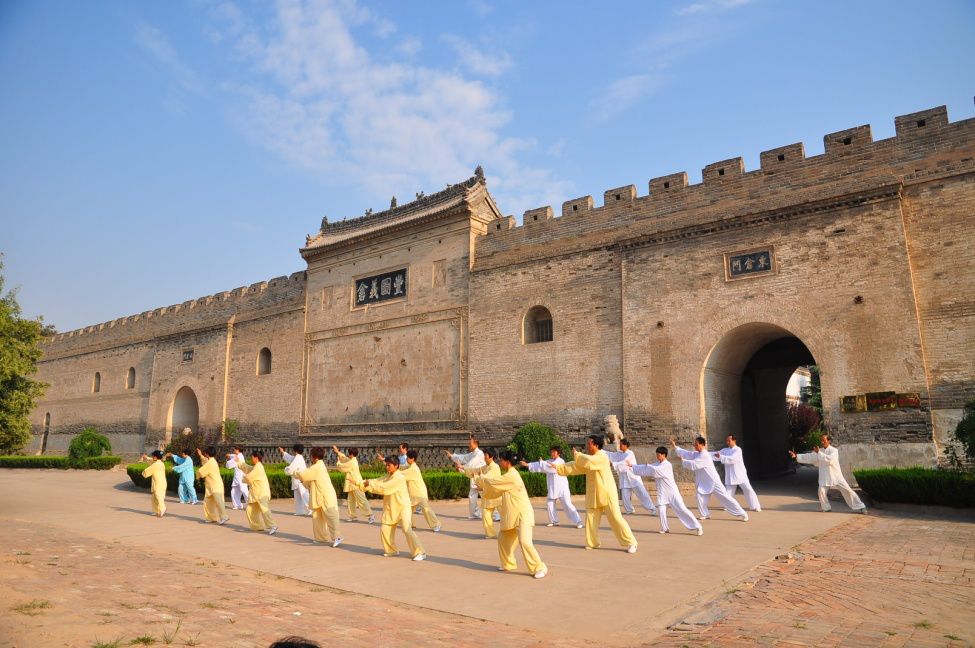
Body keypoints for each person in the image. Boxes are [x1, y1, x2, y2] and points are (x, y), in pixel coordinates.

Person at [554, 435, 638, 553]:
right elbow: (576, 466)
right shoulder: (590, 458)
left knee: (615, 518)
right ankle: (592, 542)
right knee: (591, 518)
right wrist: (559, 468)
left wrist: (578, 455)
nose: (587, 446)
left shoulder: (602, 456)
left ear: (596, 445)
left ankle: (631, 542)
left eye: (589, 444)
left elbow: (589, 462)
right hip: (594, 494)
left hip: (607, 492)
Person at [476, 450, 548, 579]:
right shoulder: (508, 475)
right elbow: (496, 491)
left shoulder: (511, 476)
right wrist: (483, 488)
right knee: (503, 540)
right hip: (512, 515)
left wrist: (481, 478)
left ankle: (539, 567)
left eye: (502, 459)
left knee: (525, 542)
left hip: (522, 514)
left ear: (507, 462)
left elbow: (493, 482)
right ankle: (508, 564)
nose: (500, 462)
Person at [617, 447, 702, 535]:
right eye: (656, 454)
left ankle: (698, 526)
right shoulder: (657, 464)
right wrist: (632, 466)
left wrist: (649, 466)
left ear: (664, 455)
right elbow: (647, 468)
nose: (657, 456)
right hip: (662, 492)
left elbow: (655, 470)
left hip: (672, 492)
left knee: (682, 509)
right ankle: (665, 528)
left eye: (659, 454)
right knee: (661, 510)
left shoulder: (667, 465)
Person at [355, 456, 426, 561]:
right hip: (391, 507)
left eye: (389, 465)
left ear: (396, 466)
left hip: (402, 507)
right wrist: (362, 482)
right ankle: (391, 550)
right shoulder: (388, 475)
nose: (387, 467)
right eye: (386, 465)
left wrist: (367, 485)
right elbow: (378, 481)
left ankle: (420, 552)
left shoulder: (399, 477)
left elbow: (384, 488)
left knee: (407, 529)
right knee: (385, 529)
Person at [672, 437, 749, 522]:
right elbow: (688, 453)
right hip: (704, 482)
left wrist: (683, 460)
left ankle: (742, 513)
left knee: (726, 498)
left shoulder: (704, 455)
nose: (695, 446)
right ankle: (705, 514)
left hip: (714, 481)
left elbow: (694, 465)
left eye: (696, 444)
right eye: (695, 444)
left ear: (702, 445)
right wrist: (676, 447)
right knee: (700, 496)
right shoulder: (697, 453)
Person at [790, 434, 867, 514]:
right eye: (821, 440)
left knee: (848, 491)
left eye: (824, 440)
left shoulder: (834, 451)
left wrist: (819, 453)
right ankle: (826, 508)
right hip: (825, 476)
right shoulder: (819, 450)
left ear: (829, 441)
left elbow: (829, 460)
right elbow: (810, 457)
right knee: (821, 492)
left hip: (836, 475)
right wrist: (796, 456)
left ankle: (861, 506)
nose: (822, 442)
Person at [521, 446, 583, 528]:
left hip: (562, 488)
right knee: (550, 504)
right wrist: (527, 465)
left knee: (568, 504)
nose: (552, 453)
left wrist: (542, 463)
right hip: (552, 487)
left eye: (554, 452)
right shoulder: (549, 461)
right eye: (551, 452)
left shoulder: (561, 461)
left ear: (558, 453)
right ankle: (554, 521)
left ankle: (578, 521)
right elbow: (539, 465)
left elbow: (551, 468)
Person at [296, 446, 343, 546]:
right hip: (318, 495)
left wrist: (294, 472)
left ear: (315, 457)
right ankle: (321, 538)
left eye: (311, 456)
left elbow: (304, 475)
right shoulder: (317, 466)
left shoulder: (317, 467)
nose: (310, 458)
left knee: (331, 516)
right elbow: (309, 481)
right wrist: (302, 480)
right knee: (317, 517)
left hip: (325, 495)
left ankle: (337, 536)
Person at [457, 448, 502, 538]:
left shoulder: (495, 467)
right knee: (486, 515)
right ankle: (491, 534)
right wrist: (463, 467)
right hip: (488, 496)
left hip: (496, 496)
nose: (484, 457)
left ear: (491, 457)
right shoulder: (485, 466)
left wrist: (477, 477)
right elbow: (475, 470)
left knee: (505, 516)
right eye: (484, 455)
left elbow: (487, 479)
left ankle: (513, 531)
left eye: (486, 455)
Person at [605, 438, 657, 516]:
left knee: (642, 494)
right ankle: (629, 510)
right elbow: (610, 454)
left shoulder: (630, 453)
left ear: (626, 445)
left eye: (621, 444)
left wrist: (613, 464)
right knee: (625, 496)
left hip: (633, 478)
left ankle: (652, 508)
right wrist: (600, 451)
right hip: (624, 479)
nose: (620, 446)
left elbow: (625, 462)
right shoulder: (619, 453)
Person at [712, 435, 761, 511]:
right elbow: (714, 454)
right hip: (730, 475)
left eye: (729, 440)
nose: (727, 442)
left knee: (748, 489)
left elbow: (733, 459)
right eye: (727, 441)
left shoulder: (738, 450)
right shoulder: (725, 450)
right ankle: (728, 506)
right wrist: (703, 454)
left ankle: (755, 506)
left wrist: (721, 457)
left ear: (734, 441)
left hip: (740, 474)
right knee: (728, 492)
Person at [400, 450, 442, 532]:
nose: (406, 459)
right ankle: (409, 524)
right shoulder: (410, 466)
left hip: (419, 494)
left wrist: (394, 470)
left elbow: (401, 474)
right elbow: (402, 467)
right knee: (407, 509)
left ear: (412, 459)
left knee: (426, 510)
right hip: (413, 495)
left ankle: (436, 524)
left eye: (408, 458)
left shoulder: (413, 469)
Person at [237, 450, 277, 534]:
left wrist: (243, 478)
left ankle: (273, 525)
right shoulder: (256, 466)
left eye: (252, 457)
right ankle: (257, 526)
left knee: (264, 509)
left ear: (256, 457)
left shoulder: (258, 467)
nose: (251, 458)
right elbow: (248, 468)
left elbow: (249, 478)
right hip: (256, 493)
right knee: (250, 510)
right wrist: (239, 463)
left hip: (261, 493)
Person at [446, 437, 486, 519]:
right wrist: (452, 456)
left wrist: (461, 467)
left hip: (481, 477)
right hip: (475, 477)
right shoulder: (472, 454)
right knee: (472, 496)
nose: (469, 446)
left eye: (470, 444)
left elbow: (471, 465)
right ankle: (475, 514)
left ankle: (497, 514)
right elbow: (463, 457)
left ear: (475, 444)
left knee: (486, 495)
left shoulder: (479, 453)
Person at [333, 446, 375, 524]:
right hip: (352, 484)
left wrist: (338, 462)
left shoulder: (352, 462)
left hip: (357, 483)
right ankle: (352, 516)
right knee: (350, 500)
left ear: (352, 454)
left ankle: (370, 515)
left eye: (349, 453)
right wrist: (338, 452)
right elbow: (345, 458)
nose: (348, 454)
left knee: (361, 500)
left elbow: (342, 467)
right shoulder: (351, 460)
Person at [195, 446, 229, 525]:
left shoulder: (211, 463)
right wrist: (200, 455)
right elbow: (205, 461)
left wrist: (197, 476)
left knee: (219, 502)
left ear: (207, 454)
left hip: (215, 485)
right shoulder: (211, 461)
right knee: (208, 501)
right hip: (211, 485)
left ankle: (224, 517)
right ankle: (211, 517)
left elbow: (201, 471)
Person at [280, 444, 311, 516]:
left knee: (304, 495)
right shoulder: (298, 457)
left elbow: (291, 467)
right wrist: (283, 452)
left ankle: (311, 509)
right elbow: (290, 458)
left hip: (301, 480)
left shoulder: (298, 458)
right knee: (298, 496)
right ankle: (300, 511)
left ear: (295, 450)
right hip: (297, 479)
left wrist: (286, 469)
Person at [139, 450, 167, 517]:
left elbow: (146, 471)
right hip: (161, 482)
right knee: (154, 497)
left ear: (155, 457)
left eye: (153, 456)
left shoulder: (155, 464)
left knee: (159, 496)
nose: (152, 457)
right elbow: (152, 460)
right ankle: (156, 510)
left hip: (158, 483)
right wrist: (146, 457)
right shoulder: (161, 463)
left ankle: (162, 508)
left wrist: (143, 472)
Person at [225, 445, 250, 510]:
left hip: (241, 477)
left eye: (235, 449)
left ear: (238, 450)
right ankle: (237, 505)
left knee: (244, 491)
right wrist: (229, 455)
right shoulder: (239, 455)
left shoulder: (238, 457)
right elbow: (233, 455)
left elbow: (228, 465)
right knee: (234, 491)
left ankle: (251, 505)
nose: (234, 450)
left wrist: (228, 459)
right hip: (237, 477)